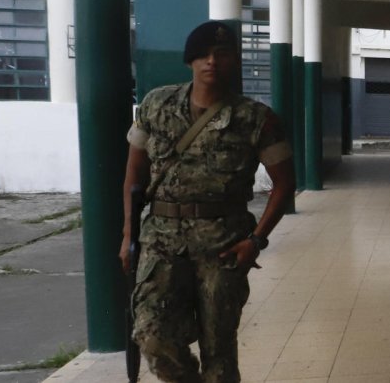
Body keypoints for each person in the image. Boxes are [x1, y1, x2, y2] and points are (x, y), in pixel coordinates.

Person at [119, 21, 296, 383]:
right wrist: (128, 235)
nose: (211, 61)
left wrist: (256, 241)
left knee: (219, 349)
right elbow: (134, 174)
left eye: (222, 54)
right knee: (152, 337)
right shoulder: (156, 105)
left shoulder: (257, 119)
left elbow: (284, 184)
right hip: (162, 241)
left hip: (224, 244)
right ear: (190, 61)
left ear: (234, 61)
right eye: (202, 54)